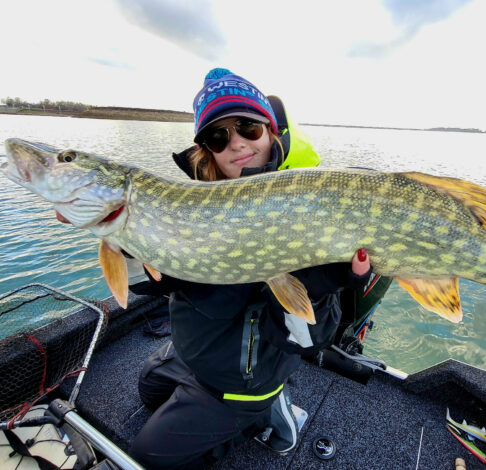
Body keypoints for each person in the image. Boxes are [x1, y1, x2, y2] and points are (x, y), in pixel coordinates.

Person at [126, 68, 373, 469]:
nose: (236, 143)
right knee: (148, 388)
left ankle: (267, 413)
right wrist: (128, 240)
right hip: (200, 356)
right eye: (218, 136)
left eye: (248, 127)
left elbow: (308, 341)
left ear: (271, 131)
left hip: (248, 379)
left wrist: (314, 288)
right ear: (206, 149)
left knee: (143, 460)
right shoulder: (191, 200)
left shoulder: (309, 205)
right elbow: (140, 281)